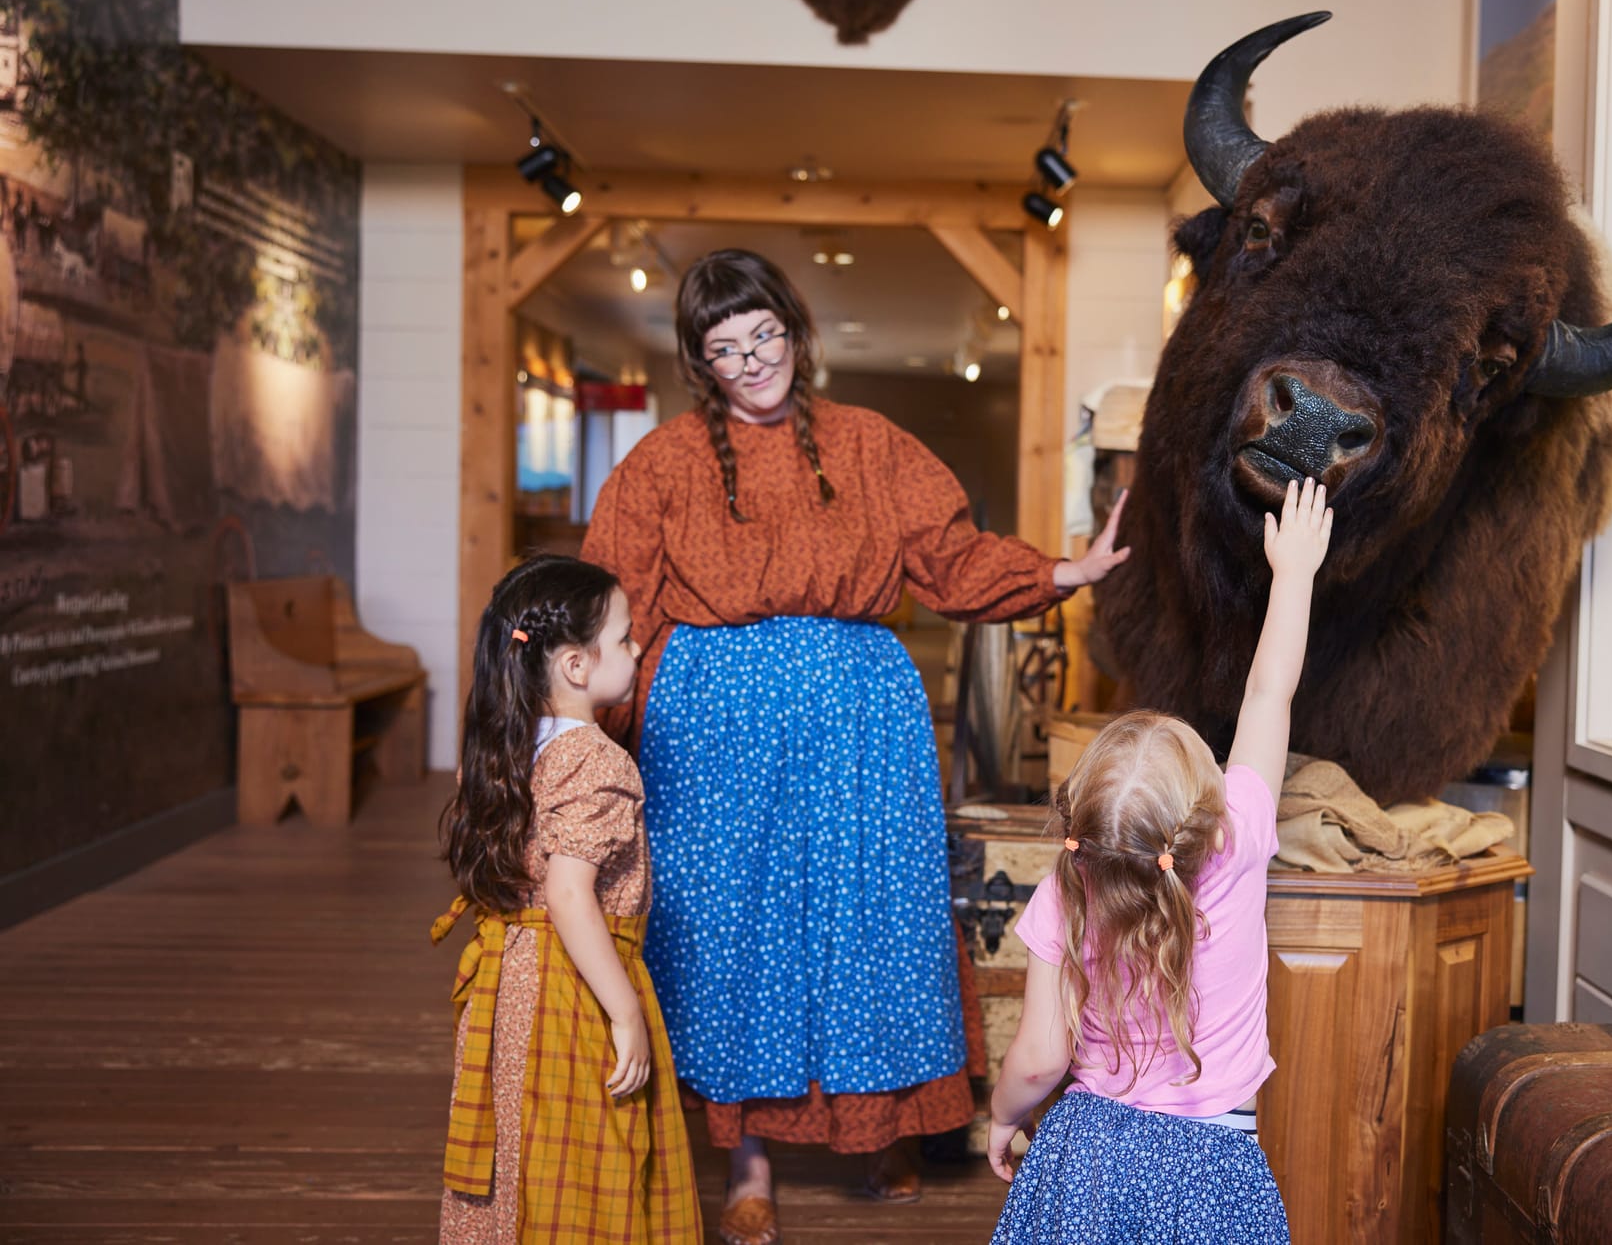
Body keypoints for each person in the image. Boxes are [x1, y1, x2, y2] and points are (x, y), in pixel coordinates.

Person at [581, 248, 1130, 1245]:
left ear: (796, 332)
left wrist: (1063, 569)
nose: (752, 361)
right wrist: (581, 733)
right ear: (700, 362)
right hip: (714, 741)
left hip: (860, 732)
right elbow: (614, 599)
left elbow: (947, 556)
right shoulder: (661, 463)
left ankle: (884, 1127)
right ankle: (748, 1161)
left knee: (873, 919)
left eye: (765, 335)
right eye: (725, 348)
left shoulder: (869, 444)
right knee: (733, 938)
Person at [985, 478, 1333, 1243]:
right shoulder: (1238, 838)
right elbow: (1268, 695)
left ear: (1081, 822)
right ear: (1204, 805)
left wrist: (1003, 1116)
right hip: (1215, 1158)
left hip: (1087, 1157)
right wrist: (1295, 574)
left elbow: (1039, 1059)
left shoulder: (1065, 890)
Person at [432, 554, 701, 1243]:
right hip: (570, 987)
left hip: (509, 983)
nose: (637, 649)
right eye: (624, 637)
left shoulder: (504, 746)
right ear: (576, 665)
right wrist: (625, 1010)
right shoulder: (597, 760)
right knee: (584, 1154)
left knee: (516, 1145)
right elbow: (569, 895)